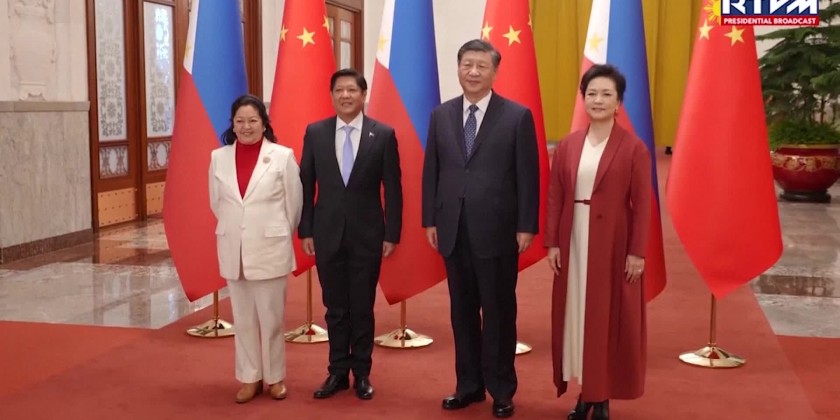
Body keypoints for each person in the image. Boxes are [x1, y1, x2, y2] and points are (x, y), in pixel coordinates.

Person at [421, 39, 539, 419]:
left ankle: (501, 389)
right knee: (462, 313)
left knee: (499, 312)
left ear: (494, 72)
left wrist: (526, 225)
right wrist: (430, 218)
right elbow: (432, 170)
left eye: (481, 66)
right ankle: (468, 385)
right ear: (458, 68)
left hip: (498, 231)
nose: (473, 72)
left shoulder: (516, 116)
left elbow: (528, 175)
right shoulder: (441, 115)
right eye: (467, 65)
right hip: (453, 228)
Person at [544, 64, 652, 420]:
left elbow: (642, 205)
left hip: (612, 243)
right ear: (583, 98)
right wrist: (553, 242)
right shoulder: (568, 144)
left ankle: (600, 394)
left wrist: (637, 252)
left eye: (607, 94)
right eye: (591, 93)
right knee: (575, 313)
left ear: (619, 102)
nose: (598, 100)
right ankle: (584, 391)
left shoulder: (633, 148)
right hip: (572, 239)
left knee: (605, 317)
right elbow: (556, 196)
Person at [299, 68, 403, 401]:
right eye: (339, 90)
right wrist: (305, 229)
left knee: (361, 306)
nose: (346, 95)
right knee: (334, 307)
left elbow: (393, 188)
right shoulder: (316, 133)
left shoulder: (382, 134)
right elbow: (306, 184)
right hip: (326, 233)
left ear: (363, 95)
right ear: (332, 96)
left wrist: (392, 233)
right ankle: (337, 372)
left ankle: (362, 373)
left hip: (368, 234)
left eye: (352, 90)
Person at [208, 94, 303, 403]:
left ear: (264, 124)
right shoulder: (218, 158)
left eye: (252, 120)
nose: (246, 126)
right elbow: (217, 203)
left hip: (270, 248)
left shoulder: (282, 156)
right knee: (244, 320)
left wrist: (274, 232)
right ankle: (250, 377)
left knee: (272, 320)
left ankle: (275, 377)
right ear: (232, 124)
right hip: (234, 250)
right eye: (240, 121)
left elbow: (294, 205)